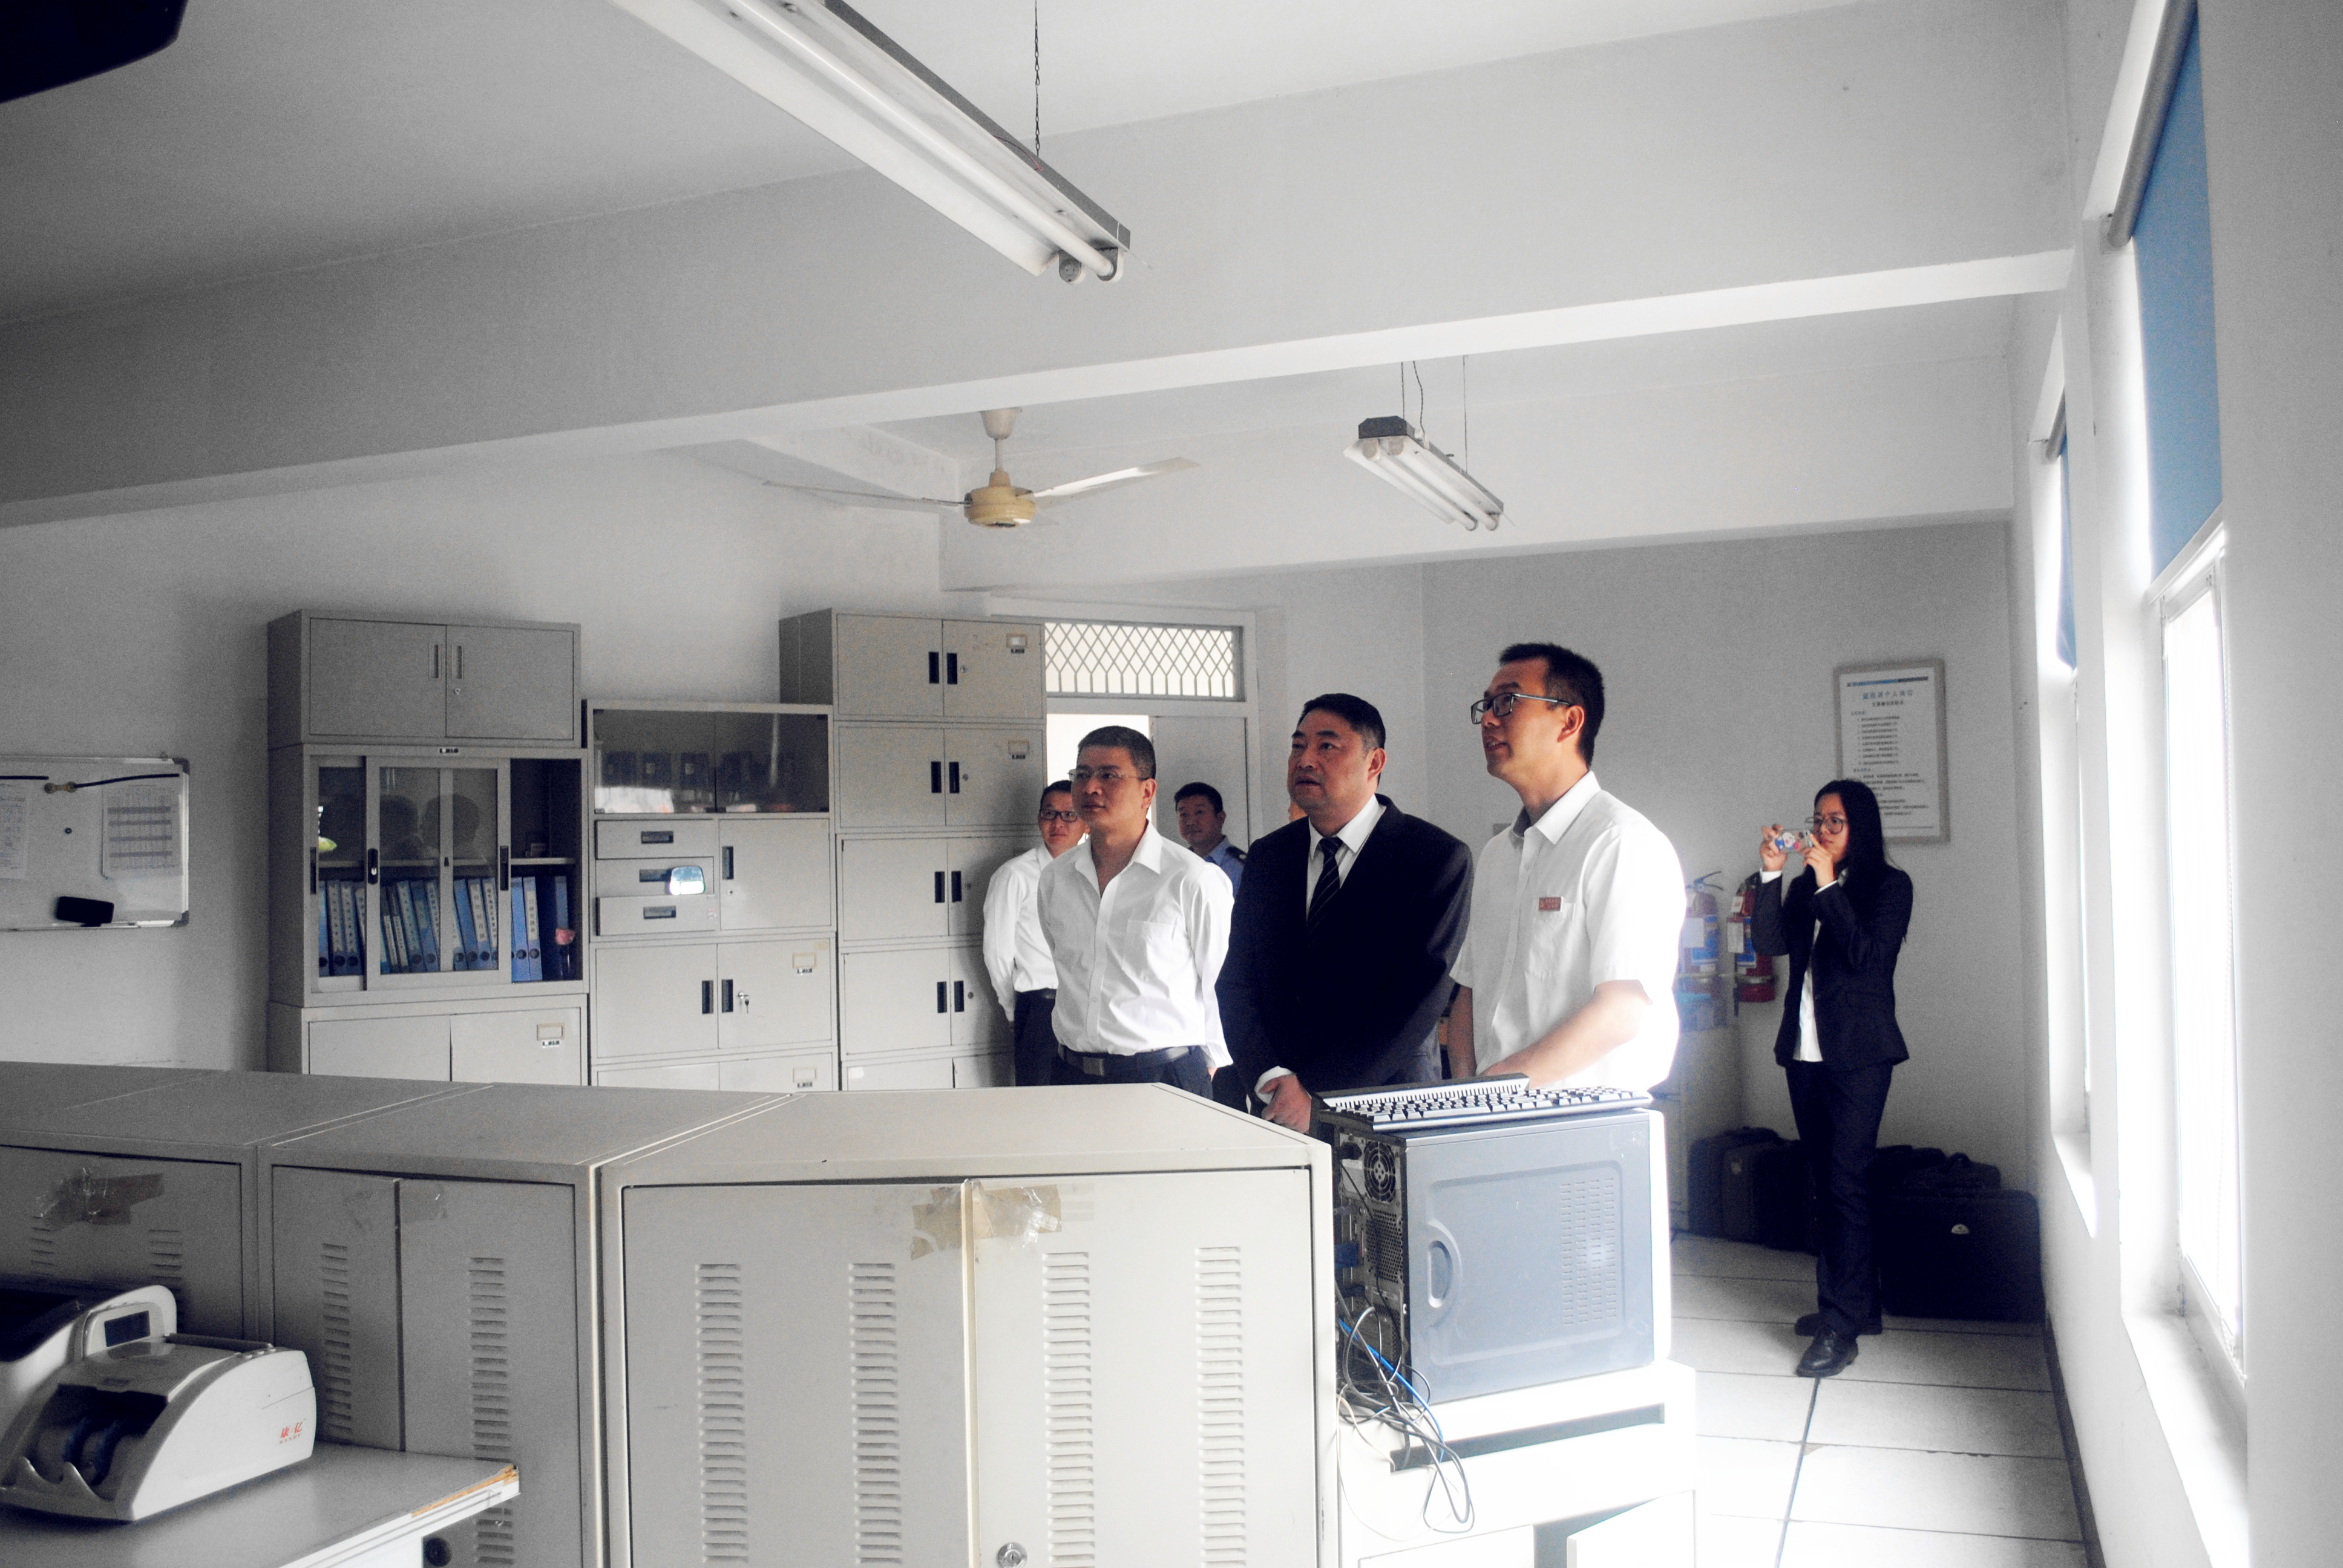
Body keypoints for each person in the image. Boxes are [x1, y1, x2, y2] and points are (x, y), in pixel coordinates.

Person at [1217, 695, 1473, 1129]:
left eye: (1327, 747)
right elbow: (1237, 980)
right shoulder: (1270, 856)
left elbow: (1417, 1001)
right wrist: (1269, 1076)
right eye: (1298, 746)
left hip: (1381, 1105)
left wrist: (1314, 1093)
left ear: (1375, 762)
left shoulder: (1433, 858)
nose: (1305, 760)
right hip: (1276, 1103)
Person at [1447, 644, 1685, 1098]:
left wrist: (1495, 1089)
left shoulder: (1621, 842)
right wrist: (1466, 1097)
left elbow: (1620, 1013)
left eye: (1508, 702)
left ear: (1570, 722)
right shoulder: (1498, 854)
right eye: (1487, 705)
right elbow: (1470, 993)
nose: (1489, 720)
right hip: (1489, 1111)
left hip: (1582, 1119)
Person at [1751, 779, 1914, 1380]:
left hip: (1859, 1057)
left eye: (1834, 822)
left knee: (1845, 1184)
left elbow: (1866, 957)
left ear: (1859, 828)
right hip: (1804, 1053)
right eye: (1817, 820)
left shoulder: (1889, 887)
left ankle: (1840, 1327)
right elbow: (1769, 942)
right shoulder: (1803, 885)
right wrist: (1771, 875)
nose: (1821, 831)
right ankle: (1853, 1307)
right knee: (1826, 1182)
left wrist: (1826, 887)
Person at [1036, 725, 1233, 1095]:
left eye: (1109, 775)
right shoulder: (1056, 878)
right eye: (1082, 774)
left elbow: (1220, 982)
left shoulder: (1192, 879)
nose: (1091, 787)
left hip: (1163, 1076)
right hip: (1070, 1075)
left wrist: (1205, 1067)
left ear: (1147, 791)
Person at [981, 780, 1088, 1086]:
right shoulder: (1015, 875)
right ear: (1039, 819)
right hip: (1041, 1008)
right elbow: (997, 951)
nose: (1058, 823)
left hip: (1086, 1007)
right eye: (1050, 814)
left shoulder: (1095, 872)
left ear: (1086, 823)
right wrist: (1011, 1008)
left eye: (1070, 815)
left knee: (1086, 1101)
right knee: (1039, 1100)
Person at [1174, 782, 1247, 893]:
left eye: (1199, 812)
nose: (1190, 822)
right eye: (1184, 815)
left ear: (1221, 818)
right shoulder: (1177, 864)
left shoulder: (1241, 867)